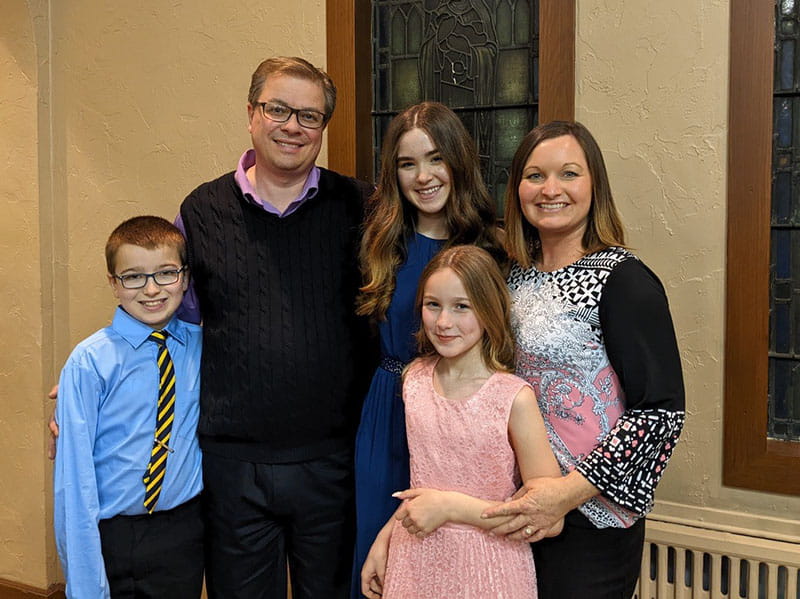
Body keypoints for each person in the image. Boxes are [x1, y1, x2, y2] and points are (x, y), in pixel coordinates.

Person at [176, 56, 374, 599]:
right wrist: (99, 389)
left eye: (308, 117)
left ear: (323, 129)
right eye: (278, 109)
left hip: (333, 457)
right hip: (232, 463)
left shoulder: (361, 205)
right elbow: (171, 323)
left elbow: (409, 305)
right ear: (251, 113)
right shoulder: (201, 210)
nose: (292, 126)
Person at [481, 121, 686, 598]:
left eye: (568, 174)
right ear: (516, 190)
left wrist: (565, 493)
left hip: (589, 518)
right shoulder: (509, 278)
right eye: (534, 176)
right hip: (517, 504)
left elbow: (660, 415)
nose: (550, 190)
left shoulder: (624, 280)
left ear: (594, 184)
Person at [351, 101, 504, 595]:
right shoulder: (379, 244)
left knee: (459, 562)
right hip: (390, 413)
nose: (423, 176)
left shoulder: (494, 247)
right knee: (385, 563)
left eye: (435, 158)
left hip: (465, 421)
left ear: (457, 161)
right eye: (407, 163)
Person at [360, 245, 562, 599]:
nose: (443, 322)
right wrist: (385, 538)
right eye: (432, 304)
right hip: (416, 559)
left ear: (488, 311)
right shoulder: (414, 381)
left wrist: (452, 507)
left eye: (462, 307)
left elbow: (549, 517)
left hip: (490, 568)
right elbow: (421, 487)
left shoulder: (513, 398)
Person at [53, 216, 203, 599]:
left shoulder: (204, 348)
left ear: (185, 279)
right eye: (133, 277)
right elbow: (74, 480)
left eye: (167, 273)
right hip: (113, 532)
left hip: (183, 530)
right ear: (113, 284)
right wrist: (85, 585)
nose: (152, 289)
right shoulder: (89, 362)